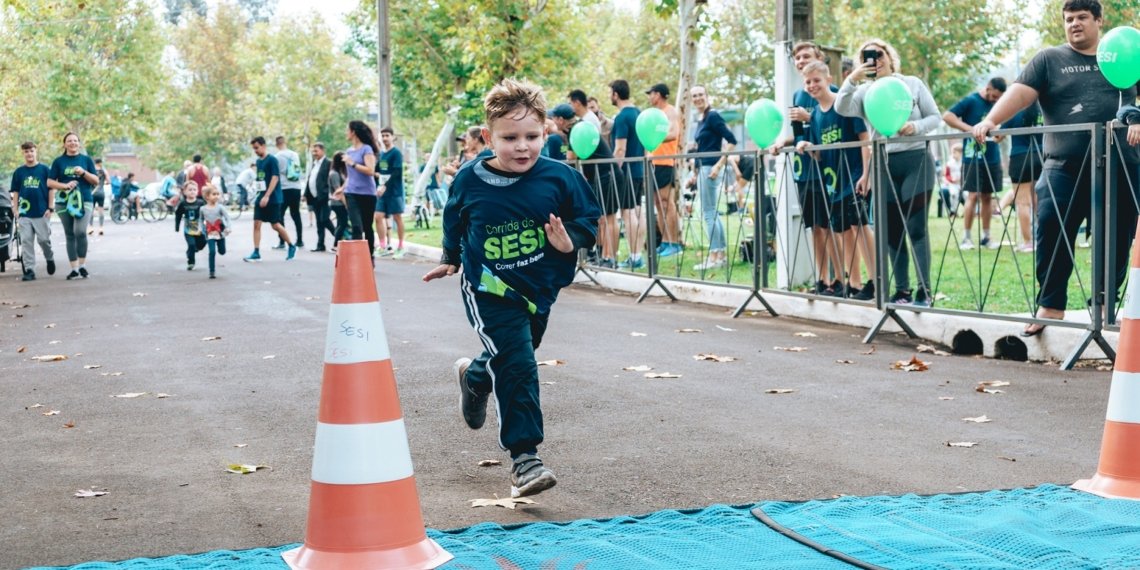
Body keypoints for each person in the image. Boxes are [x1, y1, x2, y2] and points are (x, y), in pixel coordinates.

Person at [422, 78, 601, 498]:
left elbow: (589, 219)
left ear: (546, 132)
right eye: (510, 138)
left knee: (514, 355)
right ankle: (525, 459)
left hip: (539, 289)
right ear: (488, 137)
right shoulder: (469, 179)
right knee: (519, 362)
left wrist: (571, 238)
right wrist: (449, 256)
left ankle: (475, 377)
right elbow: (455, 218)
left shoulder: (560, 177)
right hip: (488, 287)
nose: (522, 146)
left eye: (532, 136)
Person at [973, 0, 1140, 336]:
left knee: (1117, 236)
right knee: (1050, 228)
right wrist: (991, 119)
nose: (1074, 24)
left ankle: (1105, 306)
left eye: (1081, 18)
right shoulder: (1049, 59)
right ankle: (1051, 306)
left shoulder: (1124, 53)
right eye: (1068, 19)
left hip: (1120, 163)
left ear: (1098, 20)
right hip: (1063, 165)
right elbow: (1020, 93)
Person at [836, 38, 942, 306]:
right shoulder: (864, 92)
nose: (875, 60)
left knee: (916, 227)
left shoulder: (912, 83)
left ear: (890, 56)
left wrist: (914, 128)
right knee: (892, 232)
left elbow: (935, 117)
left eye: (879, 54)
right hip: (883, 164)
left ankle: (924, 290)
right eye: (867, 56)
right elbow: (840, 107)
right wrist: (853, 78)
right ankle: (903, 290)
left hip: (916, 160)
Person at [797, 61, 874, 299]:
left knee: (859, 226)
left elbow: (864, 138)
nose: (812, 86)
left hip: (854, 177)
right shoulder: (817, 116)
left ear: (829, 79)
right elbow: (821, 153)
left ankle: (875, 280)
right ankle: (854, 282)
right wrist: (807, 145)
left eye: (817, 80)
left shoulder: (844, 105)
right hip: (835, 184)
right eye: (808, 82)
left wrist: (866, 174)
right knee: (842, 231)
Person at [774, 41, 839, 293]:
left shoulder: (831, 91)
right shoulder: (798, 95)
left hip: (828, 170)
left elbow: (832, 127)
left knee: (832, 226)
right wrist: (783, 141)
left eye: (806, 56)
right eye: (797, 58)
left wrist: (809, 117)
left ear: (819, 58)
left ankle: (839, 279)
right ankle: (822, 279)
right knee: (815, 227)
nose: (800, 61)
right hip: (804, 171)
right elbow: (800, 135)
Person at [552, 102, 623, 268]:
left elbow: (571, 157)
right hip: (598, 176)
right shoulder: (576, 128)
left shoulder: (578, 129)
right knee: (601, 217)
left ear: (561, 120)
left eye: (554, 119)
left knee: (609, 218)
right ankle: (599, 254)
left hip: (607, 175)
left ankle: (610, 258)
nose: (553, 122)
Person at [944, 78, 1007, 250]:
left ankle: (986, 237)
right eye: (994, 96)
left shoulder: (998, 104)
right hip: (972, 157)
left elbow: (1003, 123)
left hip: (992, 156)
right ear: (987, 88)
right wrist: (969, 129)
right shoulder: (971, 101)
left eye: (998, 98)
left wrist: (1001, 133)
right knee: (973, 195)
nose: (995, 100)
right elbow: (947, 116)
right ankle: (966, 238)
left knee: (987, 196)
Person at [690, 85, 737, 271]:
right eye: (694, 96)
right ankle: (721, 255)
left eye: (700, 94)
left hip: (710, 168)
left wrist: (718, 166)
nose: (697, 98)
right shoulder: (701, 119)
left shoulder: (713, 116)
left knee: (708, 213)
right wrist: (694, 172)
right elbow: (701, 148)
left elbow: (732, 140)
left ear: (707, 96)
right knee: (712, 212)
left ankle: (714, 256)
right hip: (703, 168)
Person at [47, 132, 99, 280]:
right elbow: (49, 182)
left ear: (79, 144)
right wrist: (64, 185)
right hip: (63, 202)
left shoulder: (86, 160)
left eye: (75, 141)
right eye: (69, 141)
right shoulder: (58, 162)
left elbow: (95, 181)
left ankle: (82, 265)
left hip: (84, 200)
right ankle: (74, 269)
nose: (72, 143)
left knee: (80, 231)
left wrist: (83, 173)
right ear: (64, 144)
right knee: (70, 234)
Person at [610, 79, 647, 270]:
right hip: (639, 169)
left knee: (628, 213)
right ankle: (637, 255)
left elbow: (620, 149)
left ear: (615, 94)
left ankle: (634, 257)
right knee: (638, 212)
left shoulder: (623, 117)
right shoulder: (639, 113)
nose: (610, 96)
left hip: (626, 172)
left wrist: (614, 171)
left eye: (610, 92)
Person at [998, 102, 1044, 253]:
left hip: (1020, 157)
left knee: (1023, 203)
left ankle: (1028, 242)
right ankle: (1041, 238)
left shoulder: (1014, 110)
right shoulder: (1043, 110)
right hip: (1041, 156)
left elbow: (998, 136)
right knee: (1039, 201)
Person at [646, 83, 684, 258]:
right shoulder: (654, 114)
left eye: (650, 94)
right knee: (658, 205)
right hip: (653, 162)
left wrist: (654, 137)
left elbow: (674, 133)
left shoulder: (670, 111)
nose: (649, 97)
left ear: (658, 94)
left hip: (665, 162)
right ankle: (665, 241)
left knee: (667, 203)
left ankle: (674, 243)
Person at [243, 136, 296, 262]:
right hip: (260, 197)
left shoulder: (272, 160)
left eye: (257, 147)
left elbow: (275, 178)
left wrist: (267, 196)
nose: (255, 150)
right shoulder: (259, 161)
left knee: (276, 225)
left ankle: (291, 245)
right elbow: (261, 178)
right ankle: (256, 252)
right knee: (256, 223)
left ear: (263, 145)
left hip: (273, 198)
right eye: (253, 148)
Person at [10, 141, 56, 281]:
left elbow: (51, 189)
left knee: (44, 240)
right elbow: (16, 191)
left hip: (42, 212)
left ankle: (49, 257)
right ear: (23, 153)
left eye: (31, 151)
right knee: (26, 241)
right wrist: (15, 208)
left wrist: (50, 207)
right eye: (26, 151)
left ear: (36, 151)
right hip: (25, 213)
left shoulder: (44, 170)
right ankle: (29, 270)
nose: (29, 153)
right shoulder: (19, 172)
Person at [342, 120, 381, 257]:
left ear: (354, 132)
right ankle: (357, 259)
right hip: (351, 192)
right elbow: (350, 176)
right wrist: (342, 188)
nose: (346, 133)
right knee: (356, 226)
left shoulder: (366, 149)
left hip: (367, 193)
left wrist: (352, 163)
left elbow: (370, 170)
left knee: (367, 227)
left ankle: (369, 257)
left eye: (348, 130)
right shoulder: (348, 151)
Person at [375, 127, 407, 259]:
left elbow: (396, 172)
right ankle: (382, 246)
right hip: (382, 192)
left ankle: (400, 246)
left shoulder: (396, 153)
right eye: (382, 136)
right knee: (378, 217)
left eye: (387, 135)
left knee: (397, 218)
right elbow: (378, 170)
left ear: (392, 137)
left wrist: (385, 186)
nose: (384, 138)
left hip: (394, 191)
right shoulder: (382, 153)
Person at [275, 137, 305, 249]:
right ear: (285, 142)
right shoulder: (295, 154)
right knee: (296, 214)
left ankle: (282, 241)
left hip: (284, 188)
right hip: (296, 187)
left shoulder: (277, 157)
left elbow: (276, 174)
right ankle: (300, 240)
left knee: (280, 215)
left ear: (277, 144)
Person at [199, 185, 231, 279]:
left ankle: (221, 248)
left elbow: (227, 218)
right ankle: (211, 271)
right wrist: (201, 228)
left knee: (222, 251)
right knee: (212, 251)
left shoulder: (220, 207)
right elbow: (200, 220)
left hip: (220, 232)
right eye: (214, 194)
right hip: (209, 233)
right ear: (207, 196)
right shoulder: (203, 209)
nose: (217, 196)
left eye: (218, 194)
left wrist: (228, 227)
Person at [305, 143, 333, 252]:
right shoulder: (314, 164)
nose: (314, 153)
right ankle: (320, 245)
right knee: (319, 222)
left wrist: (327, 191)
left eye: (316, 151)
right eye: (313, 151)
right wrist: (306, 193)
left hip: (325, 196)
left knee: (324, 219)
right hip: (314, 197)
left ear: (322, 150)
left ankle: (339, 237)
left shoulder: (328, 163)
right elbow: (310, 179)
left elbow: (330, 179)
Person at [175, 181, 207, 270]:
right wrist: (177, 226)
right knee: (191, 245)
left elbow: (207, 212)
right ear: (185, 192)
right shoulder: (182, 204)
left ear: (197, 191)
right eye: (190, 190)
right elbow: (178, 215)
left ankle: (193, 250)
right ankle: (191, 262)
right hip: (188, 229)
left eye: (194, 190)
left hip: (200, 228)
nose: (192, 191)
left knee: (202, 243)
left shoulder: (201, 203)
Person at [328, 151, 350, 251]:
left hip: (338, 202)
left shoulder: (338, 173)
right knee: (343, 223)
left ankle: (338, 243)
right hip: (338, 203)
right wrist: (346, 204)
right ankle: (335, 244)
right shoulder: (334, 174)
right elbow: (338, 191)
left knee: (340, 223)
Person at [90, 158, 107, 236]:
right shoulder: (103, 171)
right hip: (101, 193)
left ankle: (91, 227)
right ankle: (101, 228)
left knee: (91, 211)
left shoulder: (91, 171)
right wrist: (104, 183)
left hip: (92, 193)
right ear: (100, 163)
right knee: (101, 210)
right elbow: (109, 181)